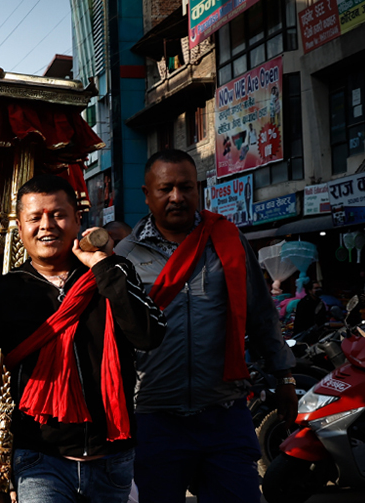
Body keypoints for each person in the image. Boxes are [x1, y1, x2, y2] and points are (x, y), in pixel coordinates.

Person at [0, 174, 166, 503]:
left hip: (113, 460)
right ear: (20, 225)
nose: (47, 225)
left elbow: (150, 335)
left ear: (77, 220)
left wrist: (103, 268)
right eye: (34, 217)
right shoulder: (6, 291)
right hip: (41, 459)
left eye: (58, 215)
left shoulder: (113, 272)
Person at [115, 149, 296, 503]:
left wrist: (285, 378)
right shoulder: (125, 256)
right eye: (166, 188)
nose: (177, 197)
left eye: (186, 187)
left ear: (199, 190)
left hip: (224, 413)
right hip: (153, 418)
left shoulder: (228, 241)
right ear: (147, 194)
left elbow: (261, 314)